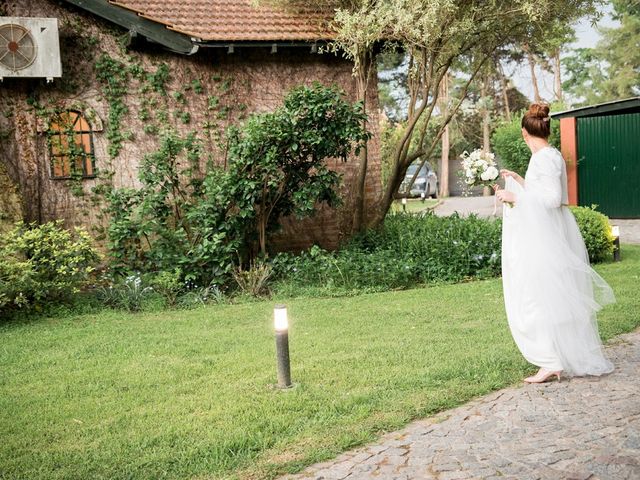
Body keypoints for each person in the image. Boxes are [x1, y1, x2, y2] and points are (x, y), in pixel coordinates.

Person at [495, 103, 615, 384]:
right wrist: (519, 180)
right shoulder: (550, 155)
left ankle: (551, 360)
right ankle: (554, 358)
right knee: (546, 292)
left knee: (538, 294)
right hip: (548, 232)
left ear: (525, 133)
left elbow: (550, 200)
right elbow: (543, 192)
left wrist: (516, 198)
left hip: (545, 237)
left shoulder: (542, 158)